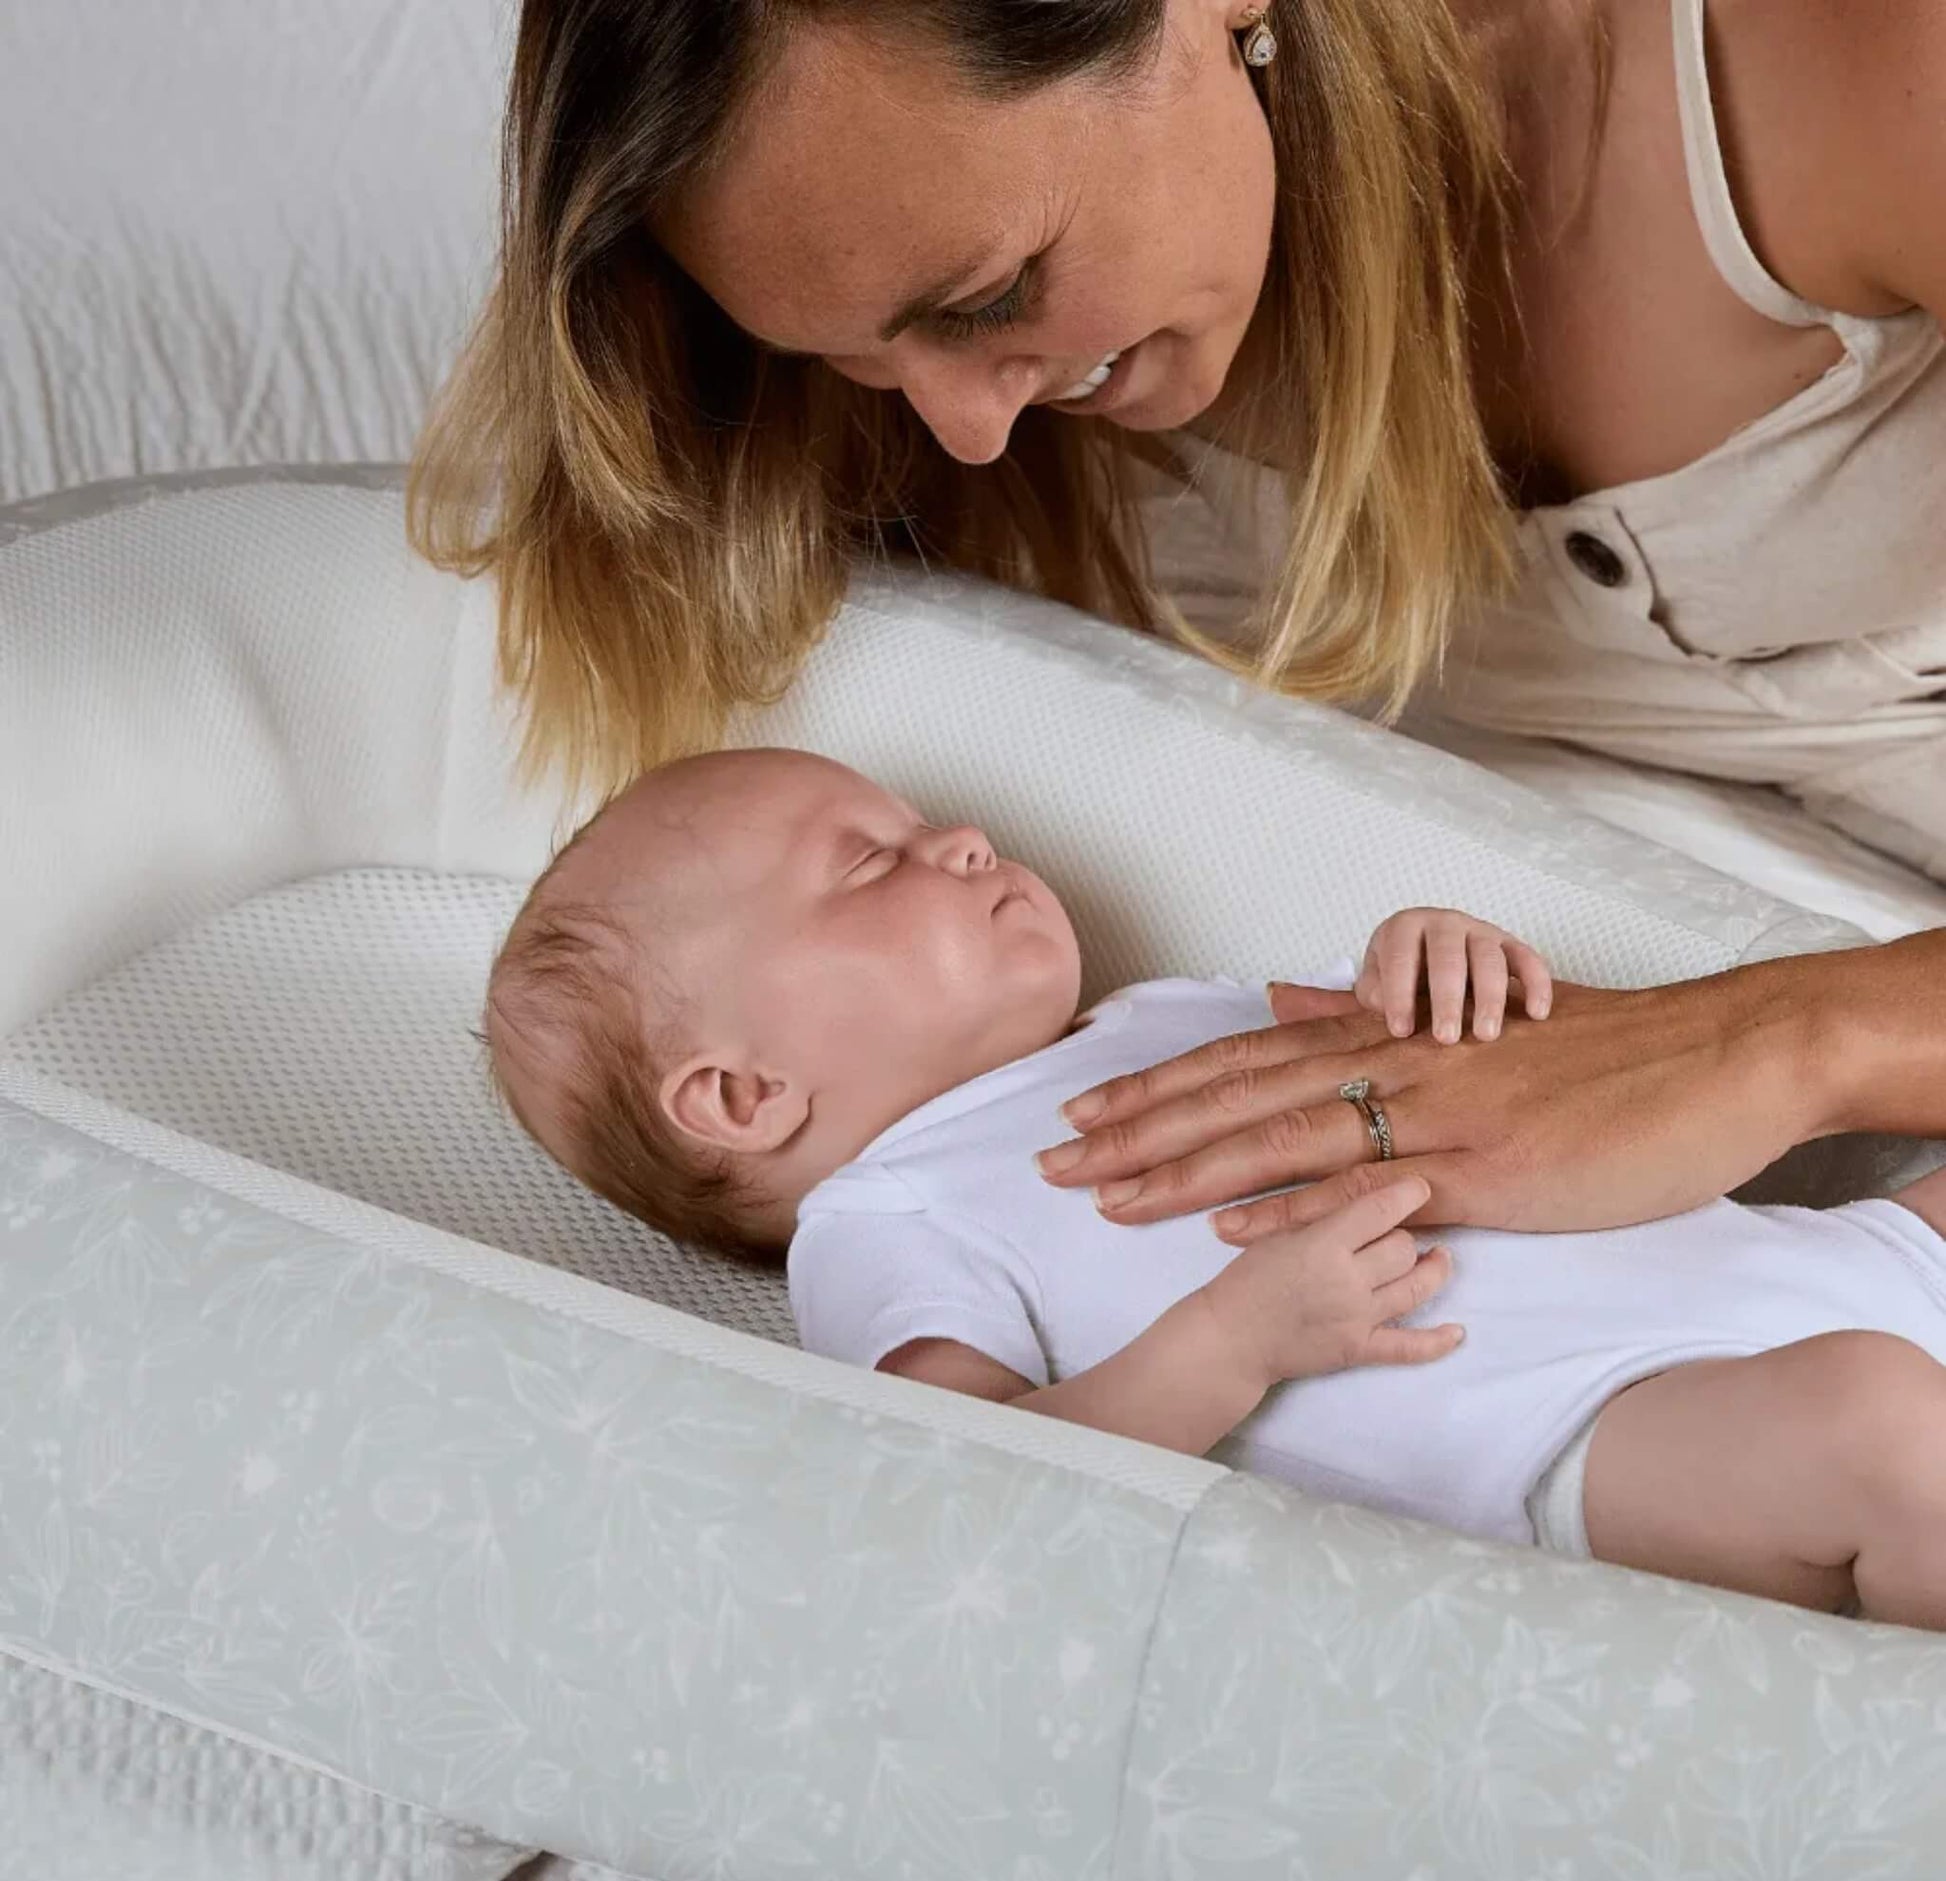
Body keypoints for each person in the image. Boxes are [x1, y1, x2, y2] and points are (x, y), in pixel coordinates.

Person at [414, 0, 1946, 1237]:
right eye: (860, 359)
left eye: (997, 288)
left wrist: (1775, 1042)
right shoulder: (964, 374)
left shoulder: (1850, 78)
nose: (957, 431)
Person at [483, 747, 1946, 1627]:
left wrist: (1436, 960)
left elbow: (1500, 1072)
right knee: (1880, 1426)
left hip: (1804, 1259)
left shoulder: (1158, 1013)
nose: (961, 840)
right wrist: (1231, 1340)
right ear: (743, 1095)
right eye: (869, 863)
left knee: (1888, 1368)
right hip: (1596, 1433)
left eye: (919, 819)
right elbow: (968, 1479)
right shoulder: (890, 1215)